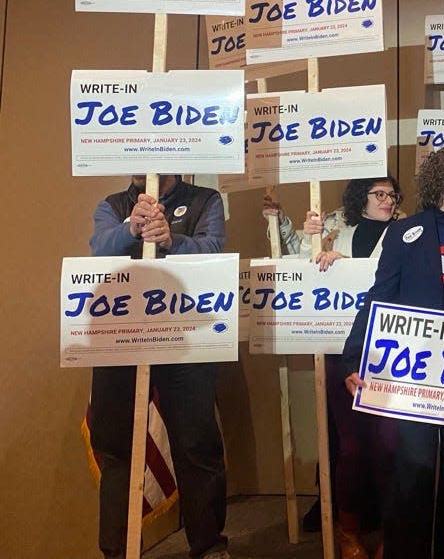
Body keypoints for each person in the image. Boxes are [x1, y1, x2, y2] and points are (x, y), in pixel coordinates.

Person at [340, 144, 444, 559]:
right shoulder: (404, 233)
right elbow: (380, 297)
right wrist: (354, 357)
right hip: (414, 378)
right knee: (411, 479)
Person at [88, 174, 229, 559]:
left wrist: (172, 242)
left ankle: (208, 545)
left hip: (186, 338)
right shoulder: (112, 205)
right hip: (122, 338)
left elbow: (214, 249)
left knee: (197, 442)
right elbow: (98, 251)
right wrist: (129, 228)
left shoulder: (205, 201)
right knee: (117, 446)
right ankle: (116, 550)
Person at [264, 176, 402, 559]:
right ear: (362, 198)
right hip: (340, 352)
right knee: (351, 448)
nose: (387, 200)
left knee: (390, 447)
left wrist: (350, 268)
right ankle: (348, 531)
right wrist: (292, 230)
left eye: (392, 195)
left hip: (388, 354)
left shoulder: (407, 233)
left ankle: (393, 532)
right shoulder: (335, 229)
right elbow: (298, 266)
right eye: (379, 194)